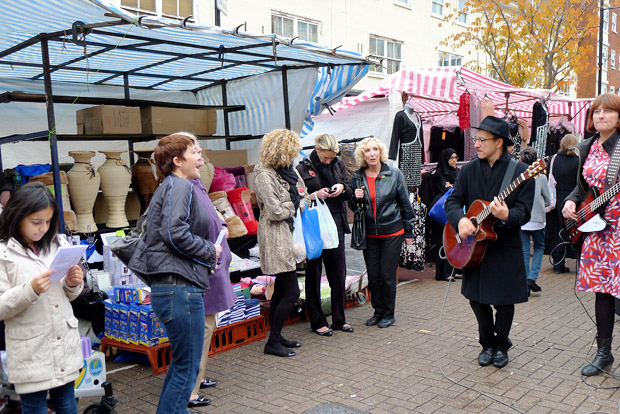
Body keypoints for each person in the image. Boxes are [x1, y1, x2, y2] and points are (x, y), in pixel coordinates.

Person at [128, 133, 221, 413]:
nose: (201, 153)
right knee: (187, 366)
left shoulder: (173, 186)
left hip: (174, 288)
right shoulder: (179, 186)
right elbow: (174, 233)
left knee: (183, 365)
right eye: (194, 150)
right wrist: (209, 251)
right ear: (178, 161)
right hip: (179, 289)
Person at [444, 116, 534, 368]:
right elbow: (452, 201)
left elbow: (524, 212)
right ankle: (486, 343)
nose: (477, 144)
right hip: (473, 247)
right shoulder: (469, 169)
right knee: (477, 298)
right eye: (477, 139)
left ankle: (502, 345)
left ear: (499, 142)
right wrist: (460, 220)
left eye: (482, 140)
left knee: (504, 301)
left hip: (505, 246)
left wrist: (506, 215)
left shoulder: (520, 172)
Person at [0, 182, 84, 413]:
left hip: (63, 342)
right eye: (36, 222)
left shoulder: (58, 244)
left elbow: (68, 295)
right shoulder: (4, 252)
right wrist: (30, 290)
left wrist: (72, 283)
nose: (43, 229)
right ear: (17, 217)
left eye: (48, 222)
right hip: (30, 349)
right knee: (35, 406)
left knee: (67, 403)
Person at [562, 93, 620, 377]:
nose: (600, 116)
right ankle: (604, 353)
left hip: (619, 230)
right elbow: (583, 187)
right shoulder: (587, 146)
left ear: (619, 118)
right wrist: (571, 202)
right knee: (603, 293)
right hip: (597, 231)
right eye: (597, 111)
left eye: (608, 112)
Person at [187, 137, 236, 408]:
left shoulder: (196, 185)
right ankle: (191, 389)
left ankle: (198, 377)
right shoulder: (185, 188)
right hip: (203, 266)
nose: (201, 156)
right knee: (202, 328)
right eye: (195, 152)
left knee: (209, 325)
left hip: (212, 264)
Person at [254, 129, 310, 357]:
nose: (295, 156)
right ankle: (273, 342)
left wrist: (296, 204)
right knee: (291, 290)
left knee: (281, 290)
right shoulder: (263, 173)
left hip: (292, 233)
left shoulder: (290, 170)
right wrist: (295, 205)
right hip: (276, 236)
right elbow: (275, 212)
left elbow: (305, 195)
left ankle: (275, 337)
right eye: (292, 151)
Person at [349, 137, 415, 329]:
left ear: (380, 152)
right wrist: (354, 198)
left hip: (392, 232)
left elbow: (405, 204)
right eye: (367, 150)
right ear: (363, 155)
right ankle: (377, 312)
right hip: (369, 234)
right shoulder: (357, 177)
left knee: (387, 275)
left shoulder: (394, 174)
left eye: (375, 150)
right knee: (374, 275)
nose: (371, 154)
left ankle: (388, 313)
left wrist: (409, 232)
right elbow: (355, 208)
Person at [296, 134, 354, 336]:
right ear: (317, 149)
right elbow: (297, 197)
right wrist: (314, 195)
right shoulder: (303, 168)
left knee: (338, 274)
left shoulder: (338, 164)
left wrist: (342, 188)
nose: (329, 161)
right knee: (313, 273)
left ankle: (340, 319)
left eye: (331, 157)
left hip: (336, 222)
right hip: (314, 225)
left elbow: (350, 188)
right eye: (326, 157)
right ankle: (317, 321)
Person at [546, 134, 579, 274]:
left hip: (555, 198)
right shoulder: (579, 161)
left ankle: (558, 263)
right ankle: (575, 258)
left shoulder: (554, 159)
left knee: (555, 231)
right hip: (573, 200)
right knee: (571, 231)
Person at [519, 147, 550, 295]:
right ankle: (532, 277)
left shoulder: (519, 176)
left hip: (523, 218)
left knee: (524, 251)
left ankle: (525, 283)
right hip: (538, 218)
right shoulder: (541, 177)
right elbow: (548, 199)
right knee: (539, 247)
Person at [429, 148, 460, 281]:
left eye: (456, 157)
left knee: (454, 240)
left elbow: (459, 188)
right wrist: (453, 187)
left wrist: (453, 186)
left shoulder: (456, 172)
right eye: (452, 158)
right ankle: (444, 273)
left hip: (452, 210)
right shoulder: (439, 173)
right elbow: (446, 189)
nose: (454, 161)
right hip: (442, 212)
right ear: (446, 159)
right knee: (443, 240)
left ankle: (454, 270)